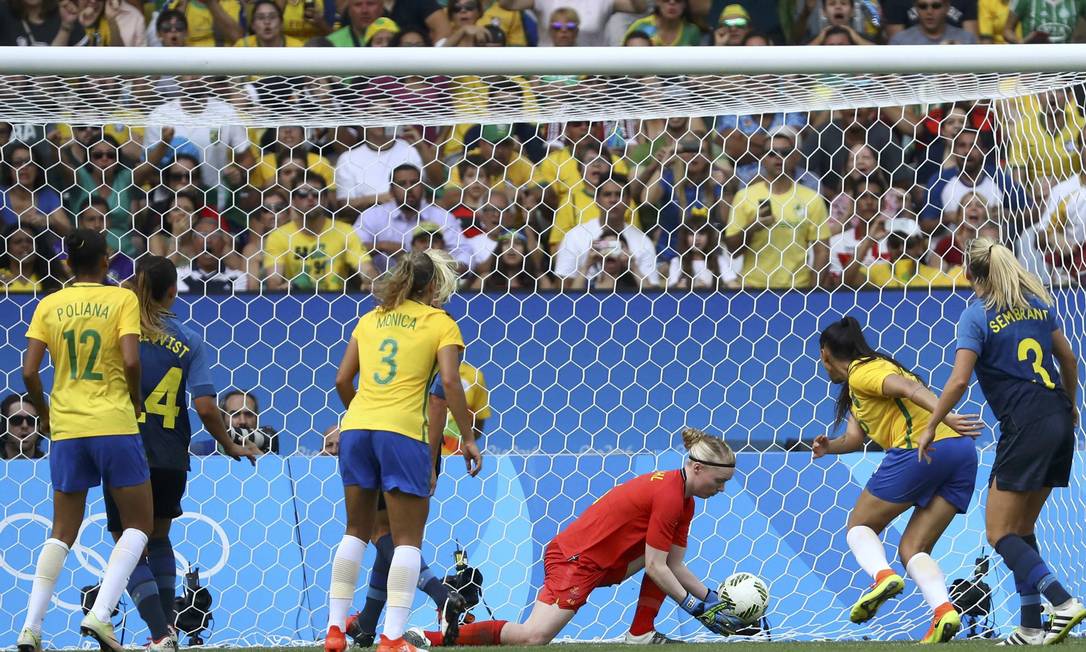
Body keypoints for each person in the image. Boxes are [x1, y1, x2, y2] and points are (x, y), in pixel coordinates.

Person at [407, 428, 740, 647]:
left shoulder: (684, 500)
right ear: (697, 468)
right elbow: (656, 566)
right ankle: (431, 639)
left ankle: (640, 632)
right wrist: (697, 606)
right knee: (533, 636)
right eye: (719, 481)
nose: (722, 489)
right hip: (575, 559)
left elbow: (673, 564)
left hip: (602, 561)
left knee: (663, 560)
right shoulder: (669, 495)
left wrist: (712, 600)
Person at [922, 238, 1086, 646]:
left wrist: (931, 425)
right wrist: (1072, 403)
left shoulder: (975, 315)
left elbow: (960, 379)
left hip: (1025, 425)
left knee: (998, 533)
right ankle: (1031, 627)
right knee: (1021, 528)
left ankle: (1061, 601)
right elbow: (1068, 359)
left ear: (970, 274)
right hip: (1057, 420)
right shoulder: (1038, 305)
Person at [324, 250, 482, 652]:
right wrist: (467, 438)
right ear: (431, 286)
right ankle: (391, 639)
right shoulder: (440, 323)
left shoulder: (370, 318)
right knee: (407, 539)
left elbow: (343, 379)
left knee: (355, 532)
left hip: (357, 427)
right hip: (404, 433)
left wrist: (362, 414)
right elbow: (449, 383)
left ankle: (335, 631)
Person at [100, 256, 255, 651]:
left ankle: (160, 633)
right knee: (160, 538)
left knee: (127, 542)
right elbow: (205, 406)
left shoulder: (118, 332)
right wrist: (228, 443)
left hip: (125, 447)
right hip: (171, 453)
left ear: (135, 285)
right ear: (173, 291)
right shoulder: (189, 339)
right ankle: (167, 629)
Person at [17, 229, 151, 652]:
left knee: (61, 531)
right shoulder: (122, 299)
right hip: (113, 422)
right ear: (107, 259)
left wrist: (44, 412)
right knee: (139, 525)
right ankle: (100, 615)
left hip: (68, 428)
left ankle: (31, 628)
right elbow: (130, 358)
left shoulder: (49, 304)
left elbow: (27, 373)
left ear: (66, 264)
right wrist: (133, 398)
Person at [812, 316, 983, 644]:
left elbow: (909, 388)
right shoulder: (858, 389)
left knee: (859, 526)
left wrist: (944, 416)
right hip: (961, 454)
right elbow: (854, 440)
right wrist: (829, 447)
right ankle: (944, 611)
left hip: (922, 449)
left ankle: (883, 577)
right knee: (913, 547)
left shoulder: (865, 370)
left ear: (825, 354)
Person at [2, 393, 45, 460]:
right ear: (4, 425)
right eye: (16, 420)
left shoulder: (50, 464)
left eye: (31, 420)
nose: (25, 425)